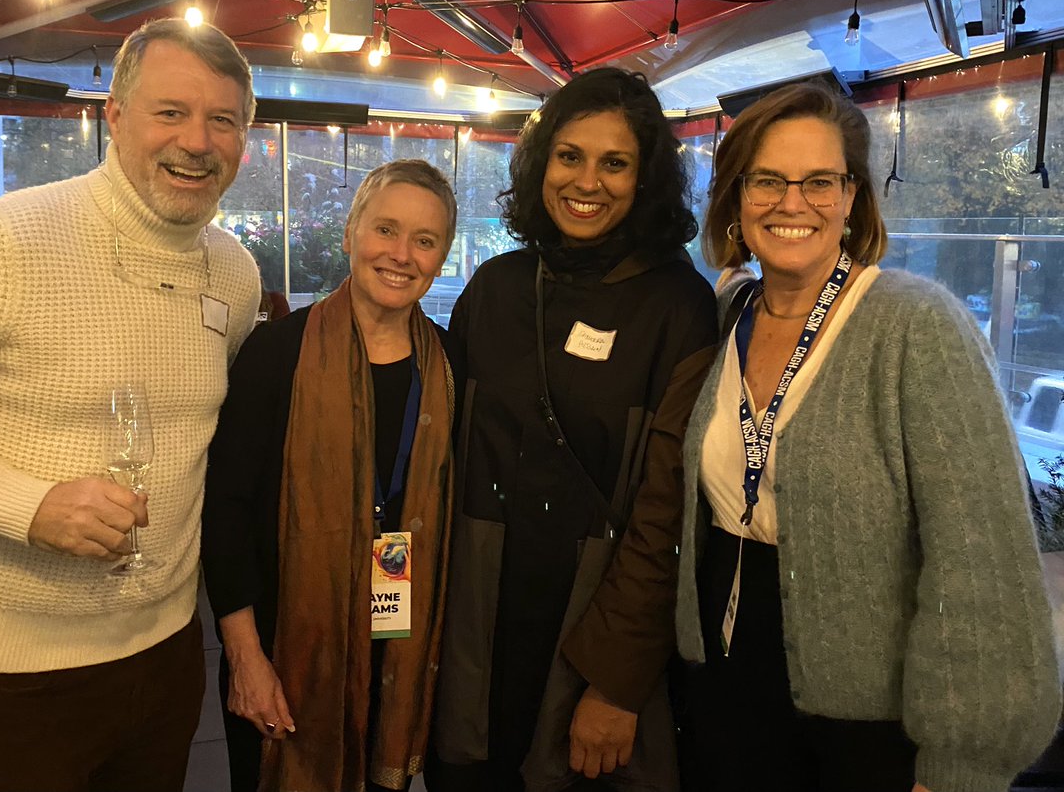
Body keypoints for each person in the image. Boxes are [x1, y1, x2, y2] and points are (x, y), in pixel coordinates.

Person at [0, 17, 261, 792]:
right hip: (7, 673)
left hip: (165, 655)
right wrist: (28, 505)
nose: (197, 141)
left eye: (223, 120)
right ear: (114, 114)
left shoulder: (235, 275)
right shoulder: (9, 238)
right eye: (171, 112)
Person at [676, 82, 1061, 792]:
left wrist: (961, 761)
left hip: (866, 723)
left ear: (852, 197)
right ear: (736, 198)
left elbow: (981, 559)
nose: (792, 203)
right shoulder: (731, 314)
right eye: (767, 180)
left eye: (819, 181)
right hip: (728, 685)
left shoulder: (918, 326)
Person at [429, 67, 718, 792]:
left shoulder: (679, 308)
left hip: (591, 627)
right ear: (541, 163)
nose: (587, 182)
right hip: (475, 624)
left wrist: (616, 681)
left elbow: (668, 515)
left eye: (614, 163)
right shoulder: (495, 287)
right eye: (570, 156)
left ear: (645, 178)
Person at [202, 159, 462, 792]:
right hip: (282, 646)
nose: (401, 255)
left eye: (425, 240)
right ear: (350, 233)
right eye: (385, 230)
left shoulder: (450, 365)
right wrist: (244, 657)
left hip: (397, 637)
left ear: (442, 256)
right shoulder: (276, 355)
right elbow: (225, 511)